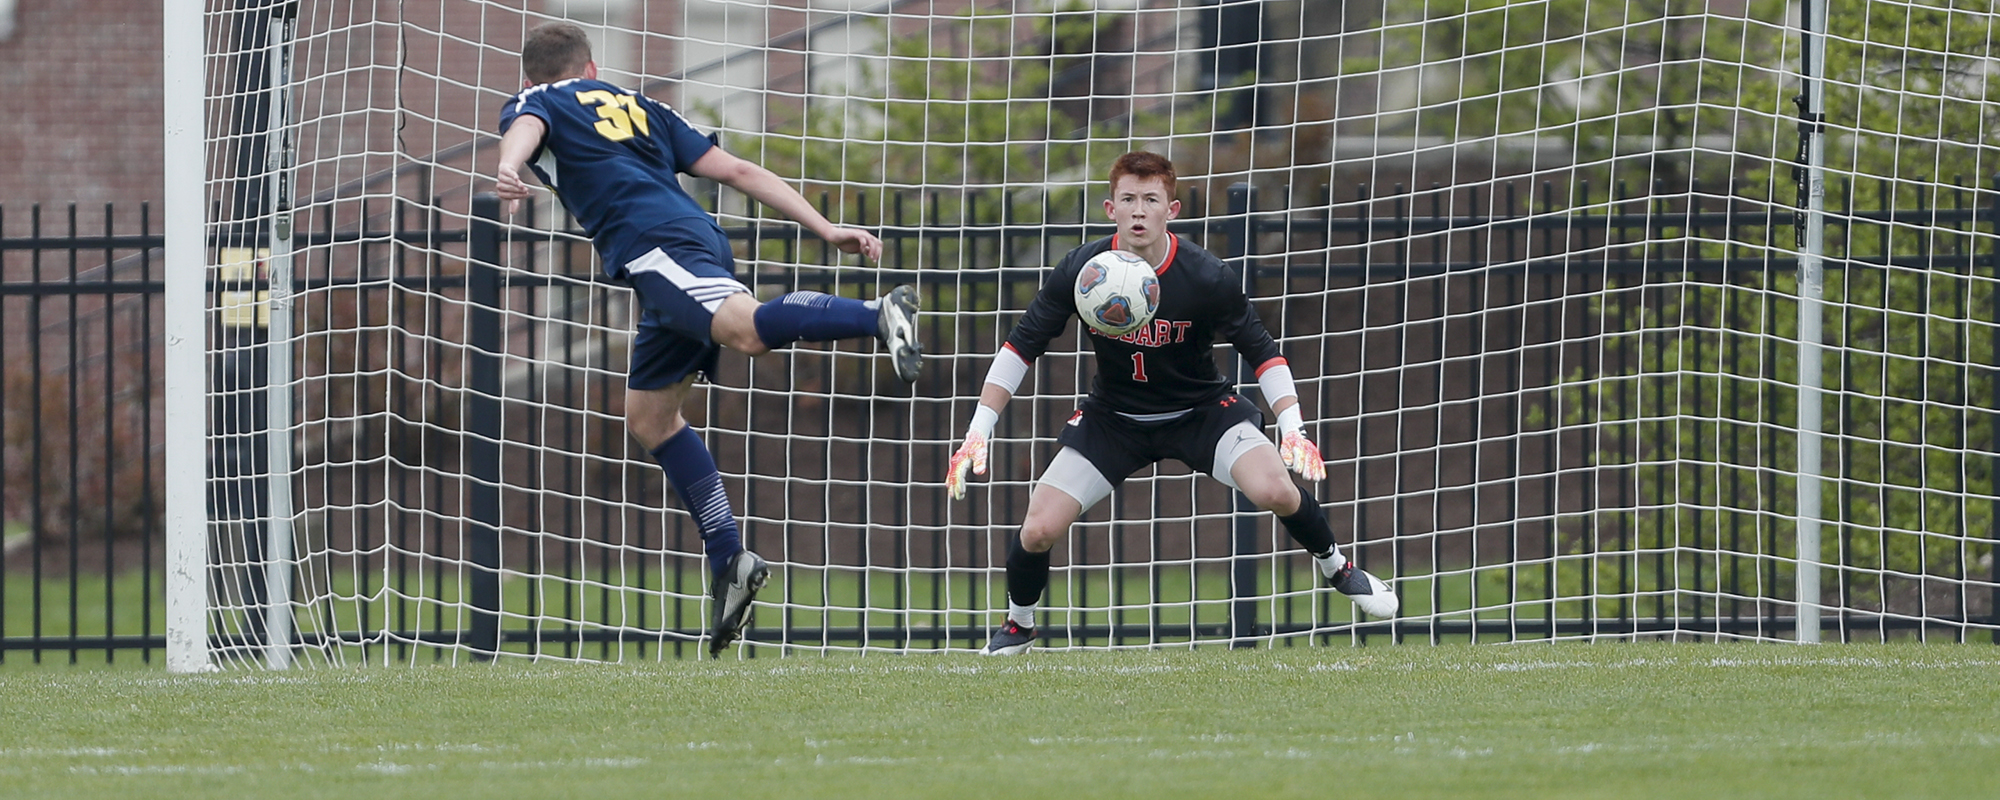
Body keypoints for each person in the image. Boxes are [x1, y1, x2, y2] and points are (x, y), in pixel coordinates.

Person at [494, 21, 922, 657]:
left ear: (532, 79)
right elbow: (738, 169)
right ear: (591, 70)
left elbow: (525, 130)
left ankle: (876, 314)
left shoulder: (536, 102)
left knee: (747, 331)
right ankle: (730, 559)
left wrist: (507, 163)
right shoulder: (643, 105)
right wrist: (824, 225)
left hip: (655, 248)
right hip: (686, 239)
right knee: (650, 417)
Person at [946, 151, 1397, 656]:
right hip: (1113, 418)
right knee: (1038, 528)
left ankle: (1337, 566)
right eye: (1128, 199)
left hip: (1200, 412)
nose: (1139, 210)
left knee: (1276, 489)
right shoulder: (1081, 270)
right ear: (1110, 208)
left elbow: (1262, 351)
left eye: (1150, 199)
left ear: (1172, 209)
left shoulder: (1205, 275)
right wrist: (978, 428)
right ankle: (1020, 625)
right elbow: (1021, 346)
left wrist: (1292, 426)